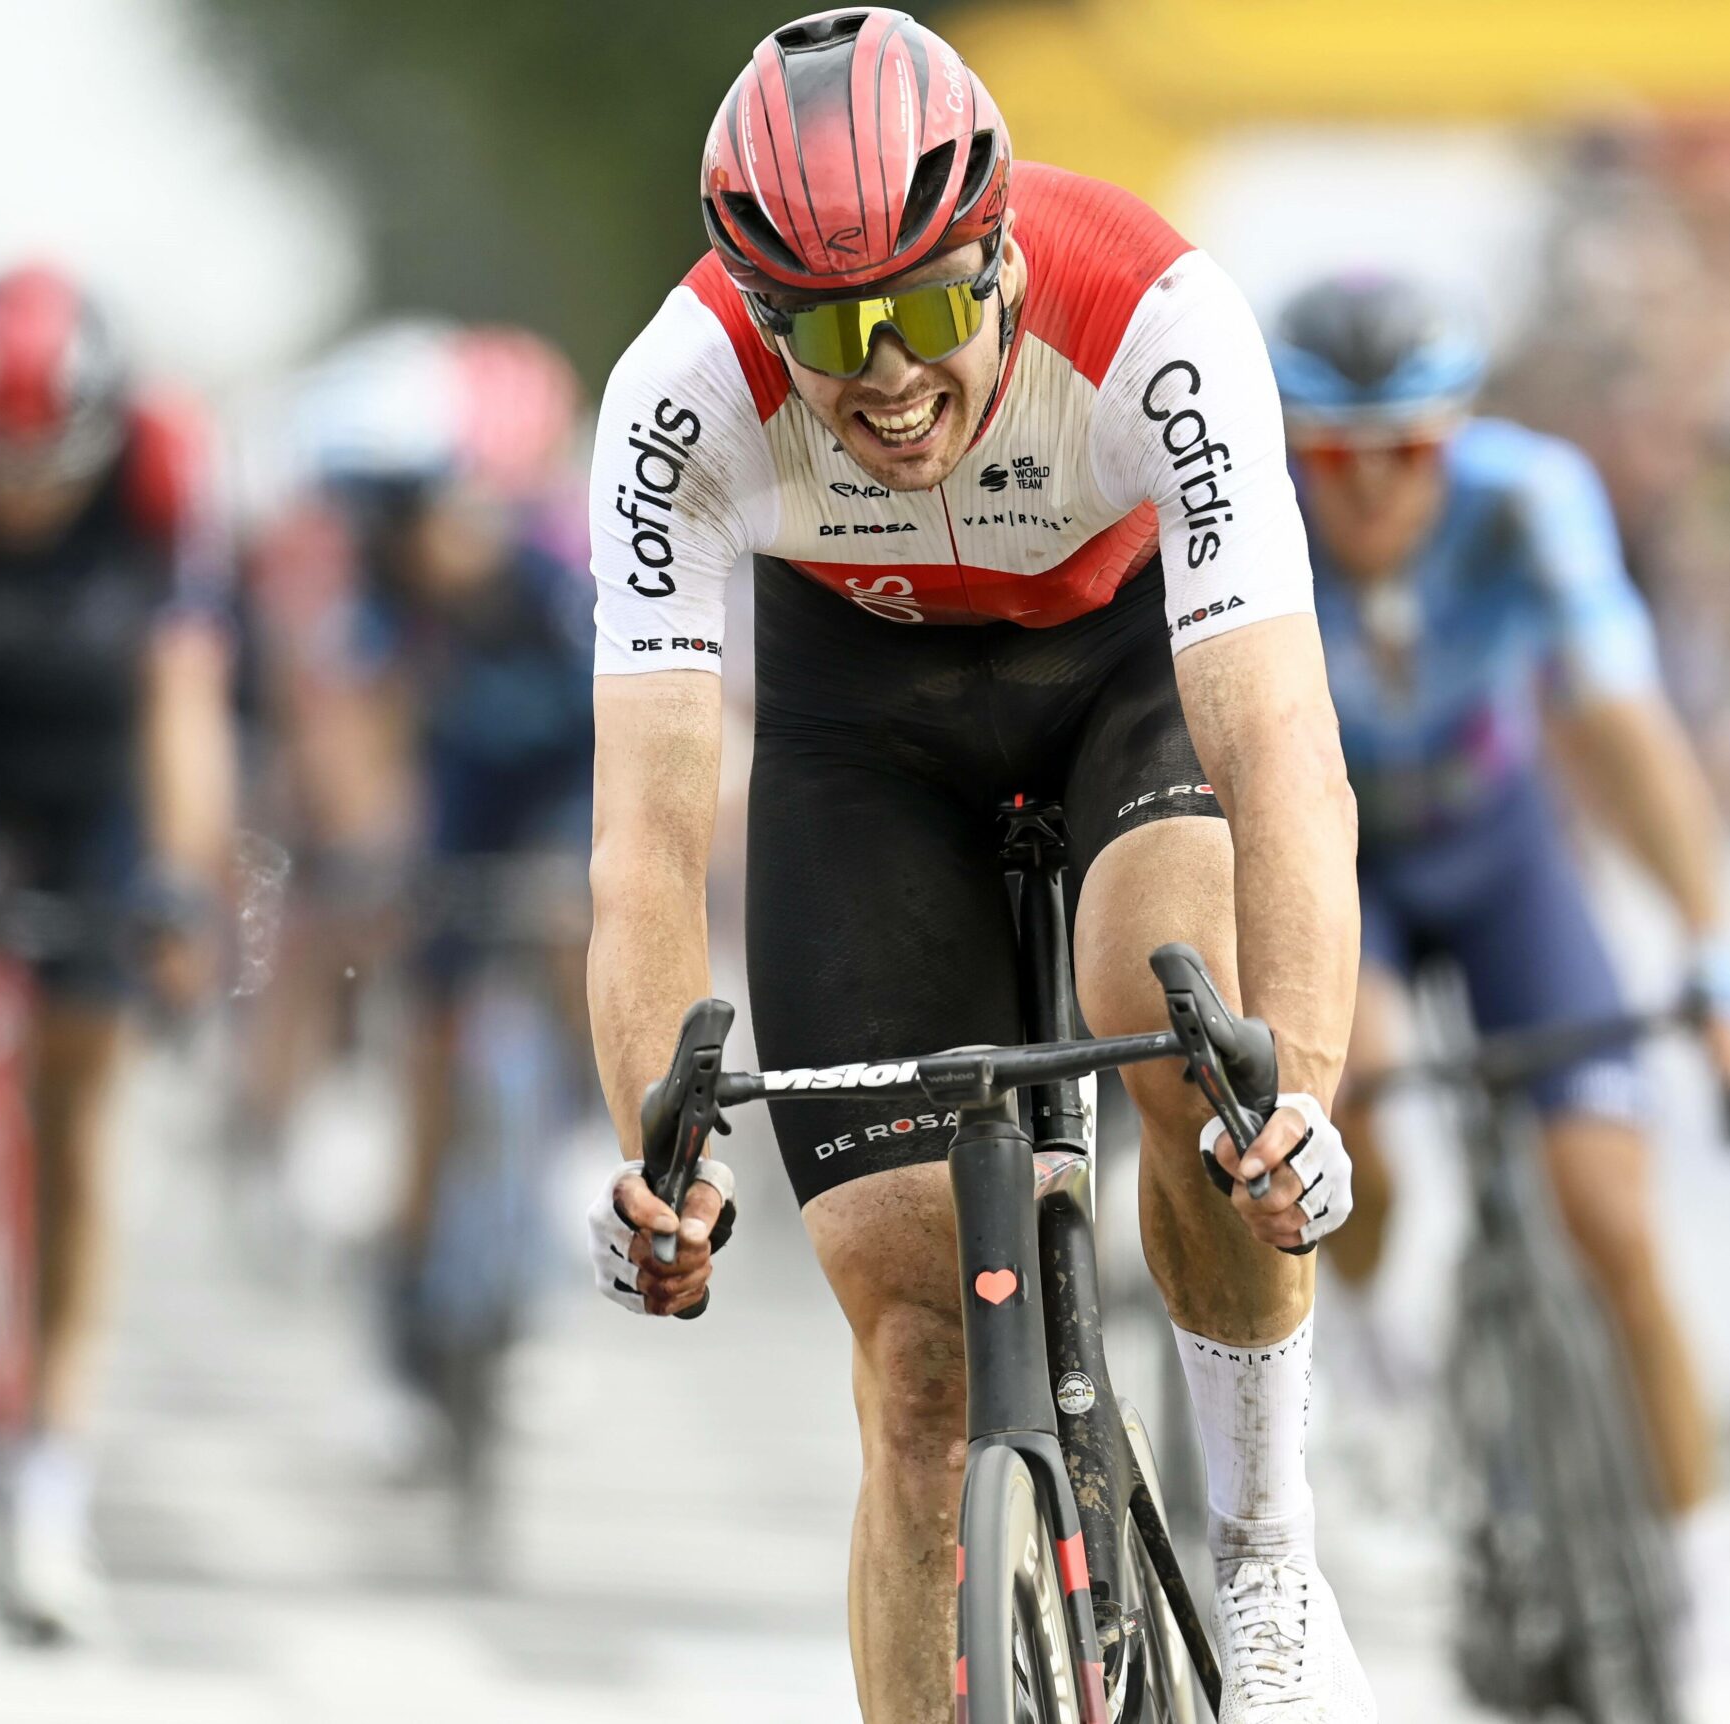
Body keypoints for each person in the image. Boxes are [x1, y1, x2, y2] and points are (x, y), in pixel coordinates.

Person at [569, 12, 1368, 1720]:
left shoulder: (1158, 314)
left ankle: (1266, 1542)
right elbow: (643, 838)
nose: (887, 376)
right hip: (870, 731)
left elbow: (1282, 749)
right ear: (759, 314)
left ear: (1002, 249)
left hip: (1125, 677)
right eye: (831, 334)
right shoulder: (677, 393)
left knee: (1175, 1019)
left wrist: (1300, 1085)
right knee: (919, 1359)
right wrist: (656, 1140)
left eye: (927, 309)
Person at [1271, 271, 1730, 1723]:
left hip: (1500, 851)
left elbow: (1620, 722)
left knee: (1614, 1216)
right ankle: (1361, 1350)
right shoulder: (1245, 513)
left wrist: (1707, 934)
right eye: (1335, 456)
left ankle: (1703, 1606)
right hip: (1335, 855)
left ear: (1459, 437)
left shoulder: (1530, 499)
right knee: (1346, 1100)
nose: (1369, 491)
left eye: (1408, 453)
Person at [0, 264, 237, 1637]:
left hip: (97, 762)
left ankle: (49, 1490)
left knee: (81, 1104)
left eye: (49, 474)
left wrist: (178, 892)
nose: (19, 497)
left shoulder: (160, 478)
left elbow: (189, 701)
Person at [285, 323, 596, 1435]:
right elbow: (350, 730)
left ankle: (587, 1135)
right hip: (458, 809)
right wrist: (370, 845)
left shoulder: (552, 581)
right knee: (425, 1046)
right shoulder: (385, 594)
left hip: (566, 792)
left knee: (578, 919)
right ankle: (404, 1320)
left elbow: (642, 730)